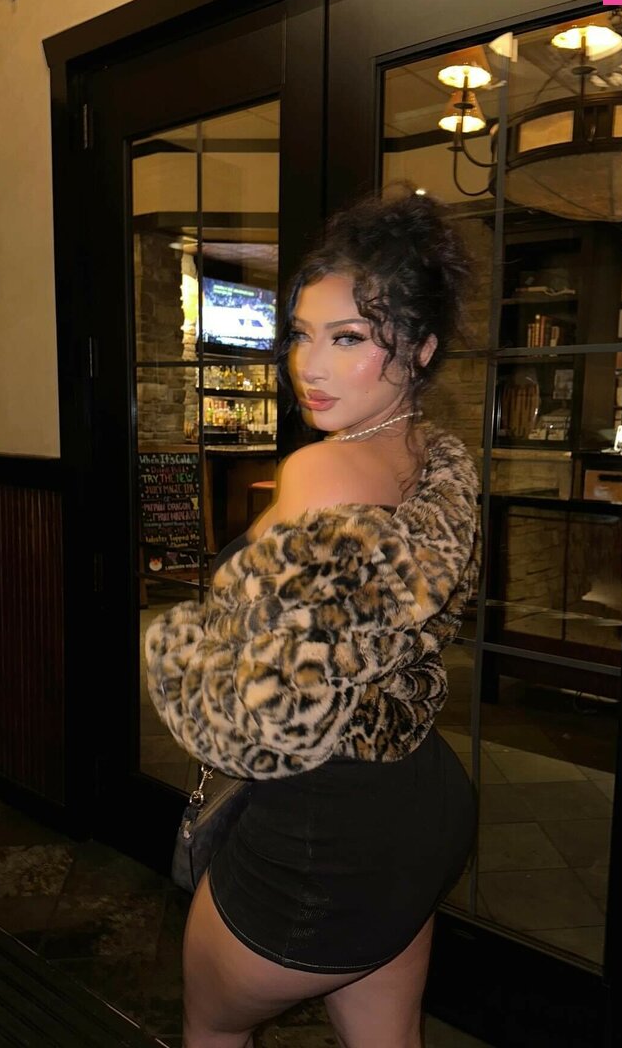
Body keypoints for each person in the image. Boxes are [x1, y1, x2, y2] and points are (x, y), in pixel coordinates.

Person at [146, 187, 481, 1048]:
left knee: (211, 1030)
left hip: (321, 835)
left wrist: (180, 653)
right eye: (301, 334)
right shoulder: (433, 456)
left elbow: (260, 720)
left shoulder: (317, 473)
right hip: (424, 802)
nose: (312, 366)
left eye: (349, 338)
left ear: (421, 348)